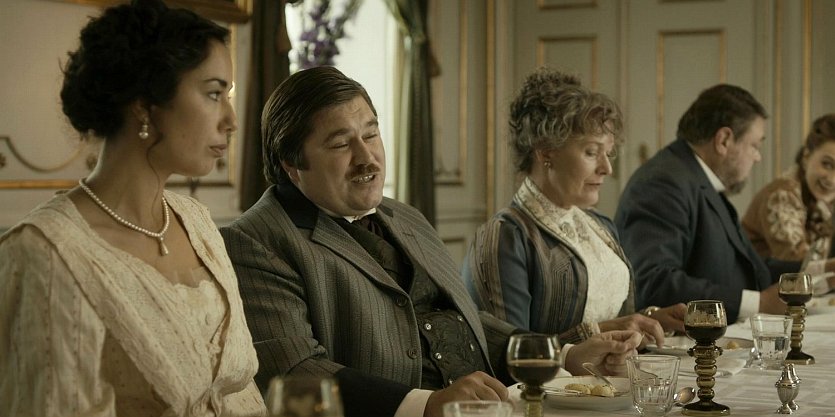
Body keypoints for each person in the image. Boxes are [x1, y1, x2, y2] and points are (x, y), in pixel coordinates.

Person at [221, 66, 642, 417]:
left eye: (371, 134)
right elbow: (294, 371)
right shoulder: (255, 242)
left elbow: (465, 320)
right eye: (341, 144)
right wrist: (425, 405)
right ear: (291, 163)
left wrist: (562, 356)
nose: (367, 158)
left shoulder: (405, 216)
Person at [0, 1, 265, 416]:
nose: (231, 120)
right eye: (214, 94)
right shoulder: (46, 255)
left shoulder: (196, 222)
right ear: (144, 104)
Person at [461, 68, 686, 347]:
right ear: (546, 151)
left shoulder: (600, 226)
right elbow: (509, 352)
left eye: (608, 153)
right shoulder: (505, 237)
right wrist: (595, 333)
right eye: (592, 152)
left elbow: (615, 319)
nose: (607, 168)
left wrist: (650, 319)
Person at [614, 84, 800, 324]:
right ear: (723, 140)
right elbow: (653, 281)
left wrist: (811, 271)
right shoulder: (663, 182)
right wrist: (758, 304)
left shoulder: (698, 177)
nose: (757, 157)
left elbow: (745, 267)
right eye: (755, 146)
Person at [743, 114, 835, 267]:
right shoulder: (780, 197)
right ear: (806, 157)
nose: (832, 179)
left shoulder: (821, 199)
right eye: (827, 164)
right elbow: (801, 268)